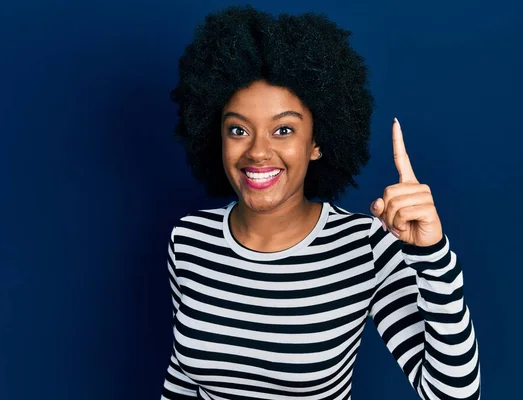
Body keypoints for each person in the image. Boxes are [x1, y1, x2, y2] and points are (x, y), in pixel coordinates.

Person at [161, 5, 480, 400]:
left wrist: (433, 258)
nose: (258, 152)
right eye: (238, 129)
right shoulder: (189, 239)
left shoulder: (365, 245)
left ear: (315, 142)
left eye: (283, 129)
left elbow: (454, 395)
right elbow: (182, 380)